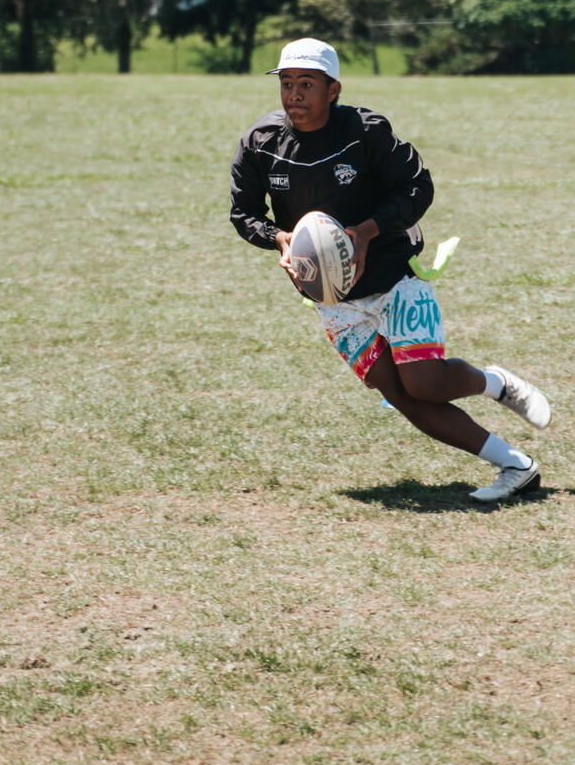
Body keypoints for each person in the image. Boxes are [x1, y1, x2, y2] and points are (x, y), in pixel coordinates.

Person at [230, 38, 551, 504]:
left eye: (306, 84)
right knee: (401, 396)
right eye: (286, 83)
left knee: (424, 382)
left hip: (393, 274)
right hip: (332, 298)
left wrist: (366, 231)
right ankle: (516, 466)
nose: (294, 94)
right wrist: (276, 237)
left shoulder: (365, 131)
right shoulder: (261, 143)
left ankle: (496, 382)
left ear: (333, 89)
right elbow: (243, 213)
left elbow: (417, 187)